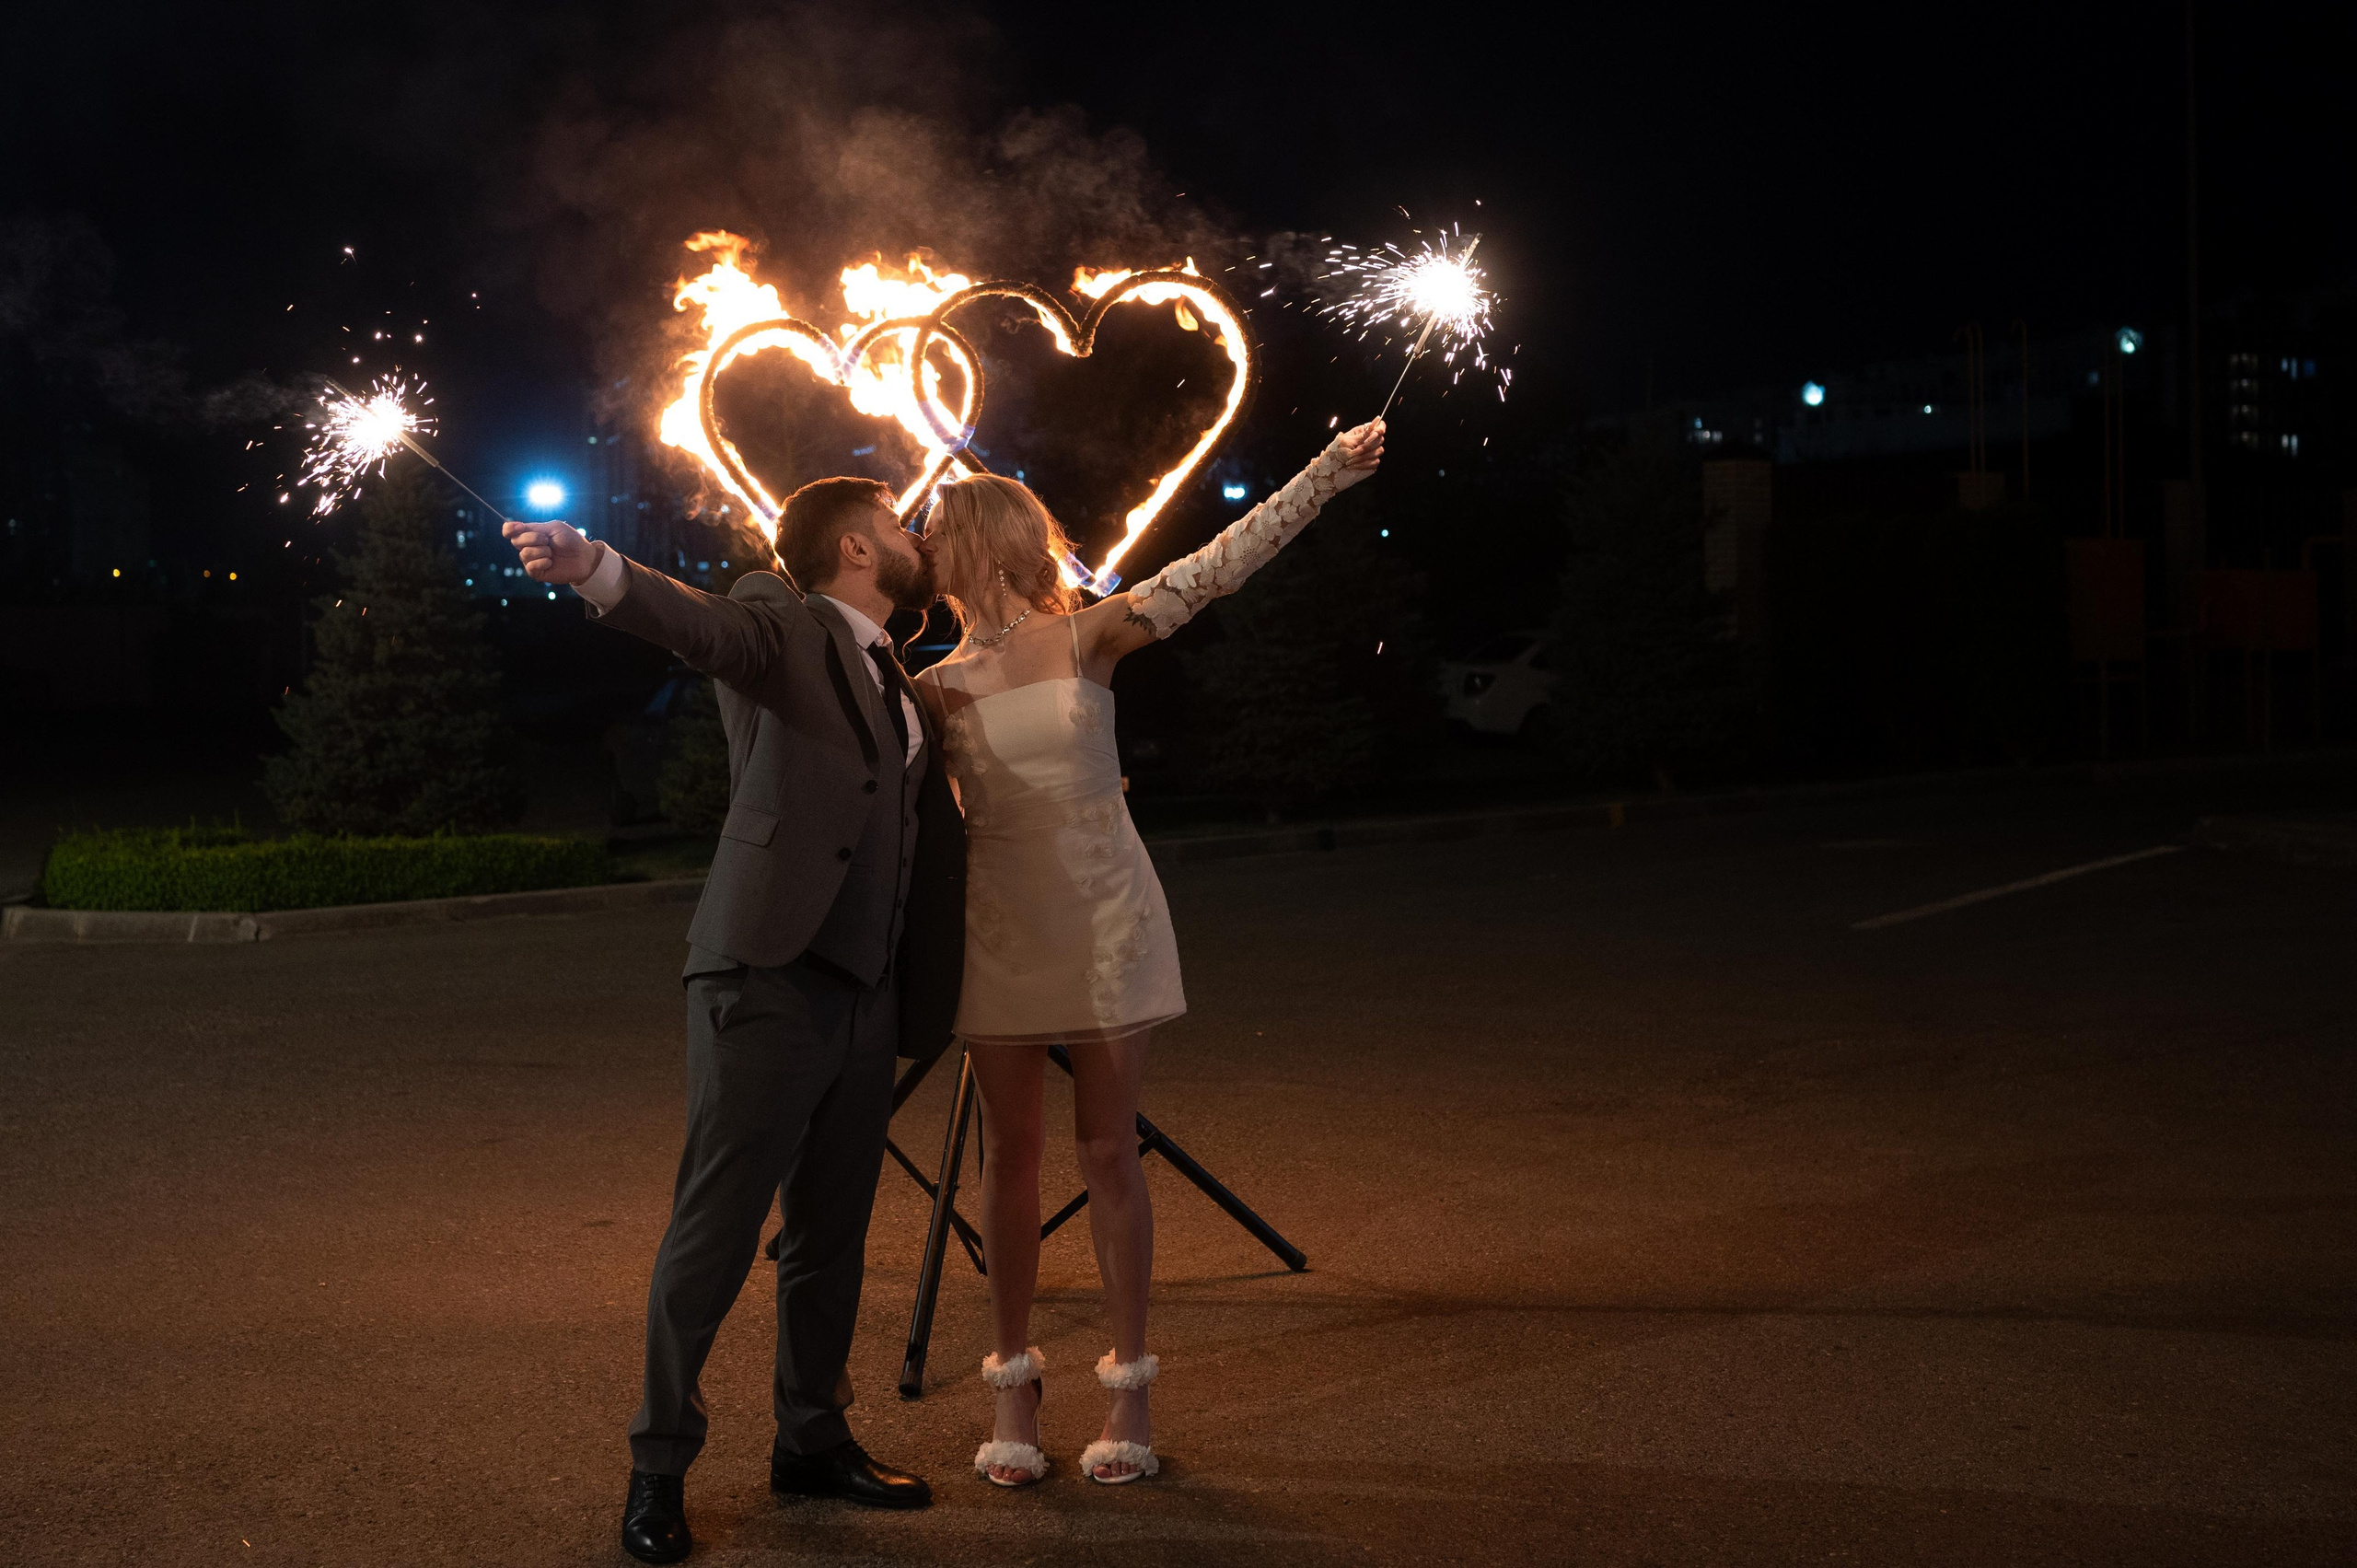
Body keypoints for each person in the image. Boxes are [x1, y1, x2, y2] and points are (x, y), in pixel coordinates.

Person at [912, 419, 1385, 1487]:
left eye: (938, 532)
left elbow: (1219, 567)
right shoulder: (931, 682)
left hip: (1103, 913)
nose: (925, 549)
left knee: (1109, 1148)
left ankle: (1129, 1386)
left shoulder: (1091, 634)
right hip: (998, 928)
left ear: (986, 541)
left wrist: (1324, 475)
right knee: (1009, 1160)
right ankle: (1014, 1386)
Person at [504, 479, 966, 1563]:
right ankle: (658, 1465)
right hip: (765, 975)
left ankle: (811, 1438)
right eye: (902, 523)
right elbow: (696, 621)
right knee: (712, 1232)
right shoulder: (782, 620)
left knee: (831, 1237)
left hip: (864, 986)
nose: (918, 536)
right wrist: (595, 569)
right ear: (855, 546)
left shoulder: (899, 674)